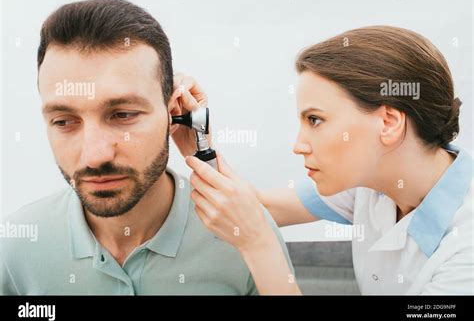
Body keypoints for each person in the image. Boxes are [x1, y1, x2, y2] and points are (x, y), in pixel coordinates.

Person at [0, 0, 292, 295]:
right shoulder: (15, 247)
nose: (95, 155)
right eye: (63, 121)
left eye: (123, 115)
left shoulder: (248, 234)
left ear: (173, 114)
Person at [184, 26, 473, 295]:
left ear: (388, 123)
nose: (298, 146)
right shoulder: (371, 185)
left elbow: (253, 223)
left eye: (315, 120)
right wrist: (196, 139)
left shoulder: (465, 254)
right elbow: (253, 207)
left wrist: (259, 246)